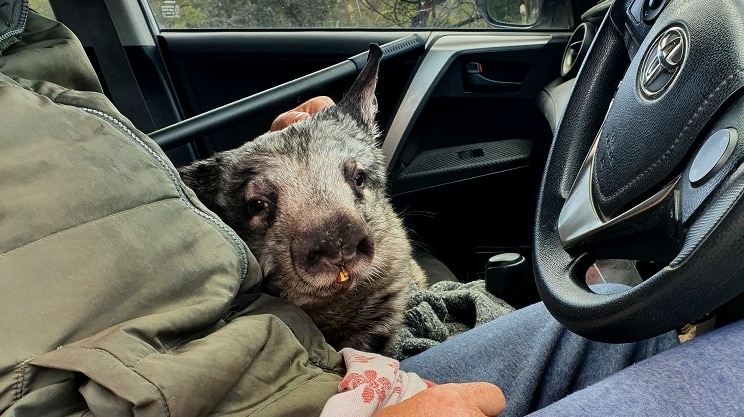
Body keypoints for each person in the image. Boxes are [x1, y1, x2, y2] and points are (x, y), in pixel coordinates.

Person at [3, 2, 744, 416]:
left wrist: (275, 168)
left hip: (289, 364)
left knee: (621, 311)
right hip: (262, 395)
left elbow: (133, 219)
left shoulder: (29, 50)